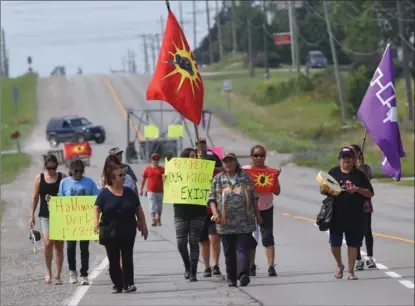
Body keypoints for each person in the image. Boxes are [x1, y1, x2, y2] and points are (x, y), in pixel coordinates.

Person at [320, 146, 374, 280]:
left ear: (354, 160)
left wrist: (358, 189)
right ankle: (339, 265)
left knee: (353, 244)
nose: (346, 160)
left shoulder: (359, 174)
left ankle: (351, 271)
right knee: (334, 243)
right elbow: (322, 190)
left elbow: (371, 193)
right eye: (344, 158)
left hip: (355, 215)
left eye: (349, 158)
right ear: (340, 159)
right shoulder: (333, 172)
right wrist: (325, 188)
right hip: (336, 214)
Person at [209, 153, 262, 287]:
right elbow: (211, 199)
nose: (228, 164)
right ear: (223, 163)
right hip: (225, 223)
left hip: (244, 221)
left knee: (242, 249)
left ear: (235, 162)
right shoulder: (218, 179)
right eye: (225, 161)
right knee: (229, 252)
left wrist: (258, 215)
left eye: (230, 161)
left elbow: (254, 198)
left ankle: (243, 274)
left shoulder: (245, 177)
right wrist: (215, 214)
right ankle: (232, 278)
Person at [93, 163, 148, 293]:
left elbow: (138, 209)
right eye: (120, 175)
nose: (123, 177)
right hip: (110, 231)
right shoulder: (104, 194)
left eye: (123, 174)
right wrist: (95, 223)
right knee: (113, 260)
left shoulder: (129, 193)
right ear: (112, 178)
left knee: (127, 257)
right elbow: (97, 208)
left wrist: (143, 225)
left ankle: (128, 283)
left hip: (128, 230)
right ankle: (117, 284)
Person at [58, 159, 100, 285]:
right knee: (70, 247)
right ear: (71, 170)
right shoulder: (64, 183)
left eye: (81, 171)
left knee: (84, 248)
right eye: (76, 171)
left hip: (85, 221)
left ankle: (84, 274)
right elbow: (60, 201)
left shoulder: (89, 182)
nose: (78, 173)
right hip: (71, 221)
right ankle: (72, 271)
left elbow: (97, 199)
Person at [242, 145, 280, 277]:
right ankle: (251, 265)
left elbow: (277, 191)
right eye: (256, 155)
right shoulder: (244, 171)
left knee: (268, 237)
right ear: (251, 156)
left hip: (266, 207)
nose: (259, 158)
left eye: (261, 155)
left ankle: (271, 266)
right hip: (249, 208)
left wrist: (274, 180)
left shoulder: (270, 172)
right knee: (251, 238)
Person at [29, 154, 66, 285]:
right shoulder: (40, 178)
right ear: (45, 166)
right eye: (49, 168)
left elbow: (68, 196)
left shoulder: (63, 178)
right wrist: (31, 215)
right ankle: (49, 271)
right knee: (48, 243)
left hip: (59, 215)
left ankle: (58, 275)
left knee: (59, 245)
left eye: (54, 167)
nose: (52, 170)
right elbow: (35, 197)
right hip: (45, 214)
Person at [172, 148, 207, 282]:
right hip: (181, 211)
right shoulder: (177, 172)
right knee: (181, 242)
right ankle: (187, 264)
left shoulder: (201, 171)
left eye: (195, 156)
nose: (193, 158)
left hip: (198, 210)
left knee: (194, 241)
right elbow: (169, 189)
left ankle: (193, 270)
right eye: (190, 156)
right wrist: (166, 180)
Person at [196, 138, 223, 277]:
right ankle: (206, 266)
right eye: (198, 146)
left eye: (203, 145)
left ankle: (216, 265)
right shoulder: (191, 161)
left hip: (213, 208)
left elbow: (222, 172)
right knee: (203, 241)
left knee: (214, 238)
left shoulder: (213, 159)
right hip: (198, 209)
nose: (201, 148)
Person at [349, 144, 376, 270]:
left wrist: (360, 167)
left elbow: (368, 180)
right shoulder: (347, 168)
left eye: (354, 152)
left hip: (365, 204)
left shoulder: (365, 168)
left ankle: (370, 257)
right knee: (355, 232)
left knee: (367, 231)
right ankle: (358, 259)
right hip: (352, 205)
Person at [140, 153, 164, 226]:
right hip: (151, 190)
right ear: (152, 160)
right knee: (152, 205)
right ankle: (153, 219)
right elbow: (144, 179)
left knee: (159, 205)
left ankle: (158, 218)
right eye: (154, 159)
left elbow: (167, 180)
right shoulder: (148, 169)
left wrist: (164, 178)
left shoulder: (162, 169)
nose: (155, 161)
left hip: (160, 190)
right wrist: (141, 189)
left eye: (157, 160)